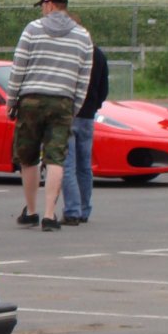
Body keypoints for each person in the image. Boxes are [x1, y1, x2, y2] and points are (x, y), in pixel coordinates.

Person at [7, 0, 94, 231]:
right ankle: (49, 214)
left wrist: (11, 101)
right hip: (63, 101)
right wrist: (74, 106)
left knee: (28, 157)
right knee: (56, 158)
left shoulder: (32, 30)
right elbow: (83, 78)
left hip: (31, 99)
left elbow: (18, 68)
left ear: (49, 5)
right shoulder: (83, 36)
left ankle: (31, 210)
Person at [60, 36, 109, 222]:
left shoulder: (71, 53)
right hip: (88, 115)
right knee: (85, 166)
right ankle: (84, 209)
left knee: (68, 165)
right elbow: (104, 88)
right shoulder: (98, 54)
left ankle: (72, 210)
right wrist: (94, 106)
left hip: (69, 112)